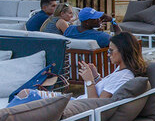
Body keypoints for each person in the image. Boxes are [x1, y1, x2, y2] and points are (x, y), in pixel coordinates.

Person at [9, 32, 147, 107]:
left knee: (25, 94)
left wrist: (89, 81)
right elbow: (105, 90)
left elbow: (97, 104)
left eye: (111, 51)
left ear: (123, 51)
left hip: (76, 106)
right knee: (24, 95)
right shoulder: (121, 71)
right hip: (75, 101)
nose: (108, 54)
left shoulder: (124, 76)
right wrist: (96, 77)